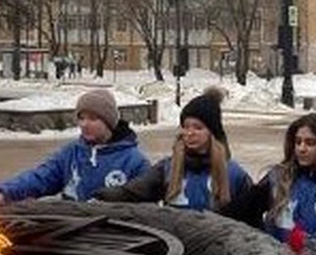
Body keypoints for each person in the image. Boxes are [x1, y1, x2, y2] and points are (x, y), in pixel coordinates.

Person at [93, 87, 251, 210]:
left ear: (212, 132)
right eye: (185, 126)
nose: (189, 133)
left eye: (198, 128)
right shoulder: (167, 168)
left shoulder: (234, 174)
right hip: (178, 247)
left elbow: (251, 220)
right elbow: (134, 191)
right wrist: (101, 197)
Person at [0, 89, 150, 204]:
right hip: (71, 234)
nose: (85, 124)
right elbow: (41, 177)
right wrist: (5, 193)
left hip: (111, 242)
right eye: (81, 118)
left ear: (109, 122)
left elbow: (145, 209)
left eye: (93, 119)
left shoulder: (135, 162)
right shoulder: (71, 153)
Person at [221, 113, 316, 242]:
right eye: (298, 142)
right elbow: (239, 212)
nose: (301, 148)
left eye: (310, 143)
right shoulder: (278, 178)